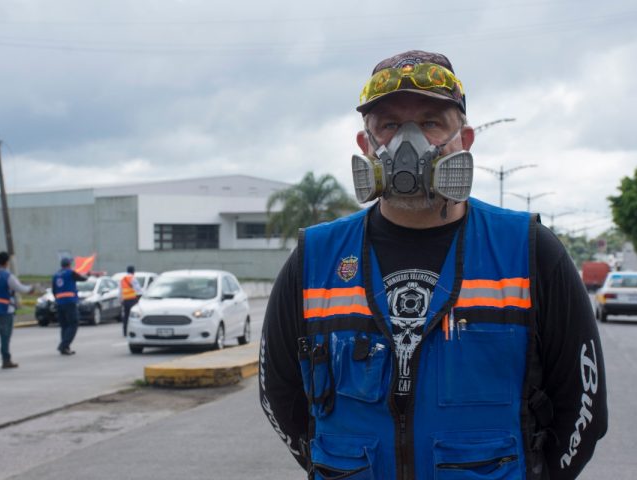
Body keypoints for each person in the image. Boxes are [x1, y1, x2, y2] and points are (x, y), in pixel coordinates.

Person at [259, 50, 607, 480]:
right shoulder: (316, 258)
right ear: (366, 144)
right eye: (389, 124)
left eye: (430, 122)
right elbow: (278, 393)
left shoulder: (529, 251)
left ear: (465, 139)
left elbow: (584, 408)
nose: (408, 143)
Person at [52, 257, 87, 355]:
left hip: (59, 303)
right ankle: (63, 345)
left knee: (64, 326)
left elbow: (54, 290)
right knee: (73, 324)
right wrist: (87, 274)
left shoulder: (56, 275)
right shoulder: (71, 273)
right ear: (69, 264)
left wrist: (58, 299)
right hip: (70, 302)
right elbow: (83, 278)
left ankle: (65, 348)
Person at [119, 265, 144, 336]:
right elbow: (138, 289)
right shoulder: (132, 278)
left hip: (125, 300)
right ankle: (134, 332)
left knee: (126, 316)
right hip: (132, 300)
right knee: (134, 316)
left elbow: (120, 291)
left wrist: (120, 300)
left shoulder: (122, 279)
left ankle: (124, 332)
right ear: (133, 271)